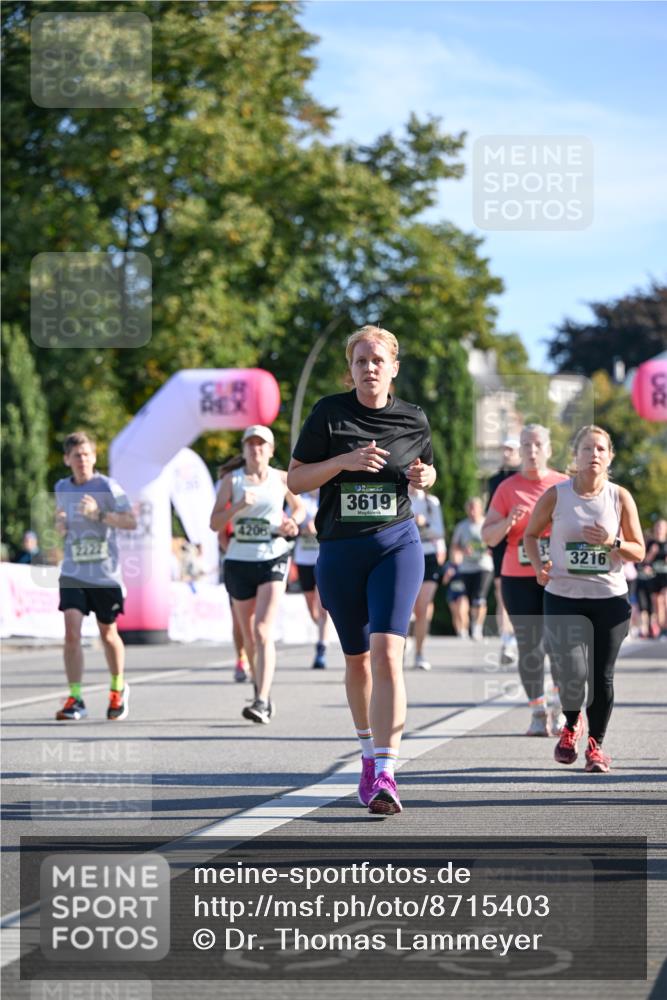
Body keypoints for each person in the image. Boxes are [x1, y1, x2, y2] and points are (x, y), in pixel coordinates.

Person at [287, 324, 436, 816]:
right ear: (350, 370)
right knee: (357, 660)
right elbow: (296, 478)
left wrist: (425, 476)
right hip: (340, 550)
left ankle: (388, 771)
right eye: (360, 361)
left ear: (394, 367)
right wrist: (345, 460)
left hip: (396, 543)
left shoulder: (414, 419)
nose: (369, 368)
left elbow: (426, 473)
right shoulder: (329, 413)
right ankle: (368, 756)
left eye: (377, 361)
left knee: (388, 653)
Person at [524, 425, 645, 773]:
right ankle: (572, 722)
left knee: (601, 676)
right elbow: (532, 535)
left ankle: (596, 747)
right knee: (572, 673)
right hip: (563, 596)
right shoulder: (557, 495)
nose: (594, 455)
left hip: (609, 600)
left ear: (609, 457)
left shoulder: (619, 497)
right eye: (587, 449)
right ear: (574, 456)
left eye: (601, 449)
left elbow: (639, 550)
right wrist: (538, 565)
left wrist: (614, 542)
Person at [210, 425, 305, 723]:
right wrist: (238, 505)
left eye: (262, 445)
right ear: (243, 449)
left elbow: (299, 509)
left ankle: (261, 700)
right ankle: (258, 686)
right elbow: (214, 523)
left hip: (273, 557)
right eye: (251, 445)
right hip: (239, 560)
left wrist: (293, 522)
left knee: (263, 630)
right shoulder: (231, 480)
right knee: (249, 635)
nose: (256, 450)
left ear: (271, 450)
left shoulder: (281, 479)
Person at [481, 425, 568, 736]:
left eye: (537, 443)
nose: (531, 450)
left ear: (549, 449)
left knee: (559, 645)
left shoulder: (563, 485)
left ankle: (559, 708)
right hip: (518, 578)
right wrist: (508, 522)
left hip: (557, 577)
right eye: (526, 444)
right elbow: (488, 537)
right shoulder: (507, 488)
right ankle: (537, 711)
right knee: (529, 646)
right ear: (519, 450)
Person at [54, 431, 137, 721]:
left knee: (108, 634)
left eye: (87, 454)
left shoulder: (108, 486)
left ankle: (117, 688)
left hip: (105, 575)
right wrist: (60, 524)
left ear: (95, 457)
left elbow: (131, 521)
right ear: (67, 459)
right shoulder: (62, 487)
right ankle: (75, 698)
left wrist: (98, 515)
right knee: (71, 633)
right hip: (74, 572)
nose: (83, 460)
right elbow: (60, 523)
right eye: (77, 456)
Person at [487, 438, 521, 663]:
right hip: (502, 540)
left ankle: (527, 638)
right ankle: (507, 641)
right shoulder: (494, 480)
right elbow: (490, 511)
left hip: (526, 540)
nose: (506, 453)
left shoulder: (525, 477)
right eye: (504, 448)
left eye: (510, 449)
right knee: (503, 594)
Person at [409, 484, 446, 670]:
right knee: (407, 608)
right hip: (405, 554)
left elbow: (439, 532)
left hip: (428, 554)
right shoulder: (399, 498)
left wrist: (424, 524)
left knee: (422, 607)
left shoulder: (431, 502)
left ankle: (419, 653)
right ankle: (396, 651)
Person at [293, 491, 330, 669]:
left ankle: (321, 648)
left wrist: (318, 528)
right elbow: (289, 524)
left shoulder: (329, 493)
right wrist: (302, 529)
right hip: (303, 558)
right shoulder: (301, 498)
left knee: (323, 606)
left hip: (323, 558)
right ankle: (323, 628)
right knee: (312, 608)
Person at [450, 497, 493, 640]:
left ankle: (477, 627)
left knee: (479, 598)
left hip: (484, 566)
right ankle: (466, 627)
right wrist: (462, 551)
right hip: (466, 568)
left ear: (481, 509)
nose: (472, 511)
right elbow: (455, 546)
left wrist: (491, 549)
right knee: (466, 599)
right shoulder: (462, 526)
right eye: (470, 508)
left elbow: (496, 541)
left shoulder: (488, 524)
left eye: (475, 508)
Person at [645, 518, 667, 636]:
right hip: (654, 576)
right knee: (657, 603)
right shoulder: (651, 544)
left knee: (665, 599)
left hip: (666, 576)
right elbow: (644, 562)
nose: (659, 529)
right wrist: (652, 554)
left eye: (662, 527)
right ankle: (661, 628)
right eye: (657, 526)